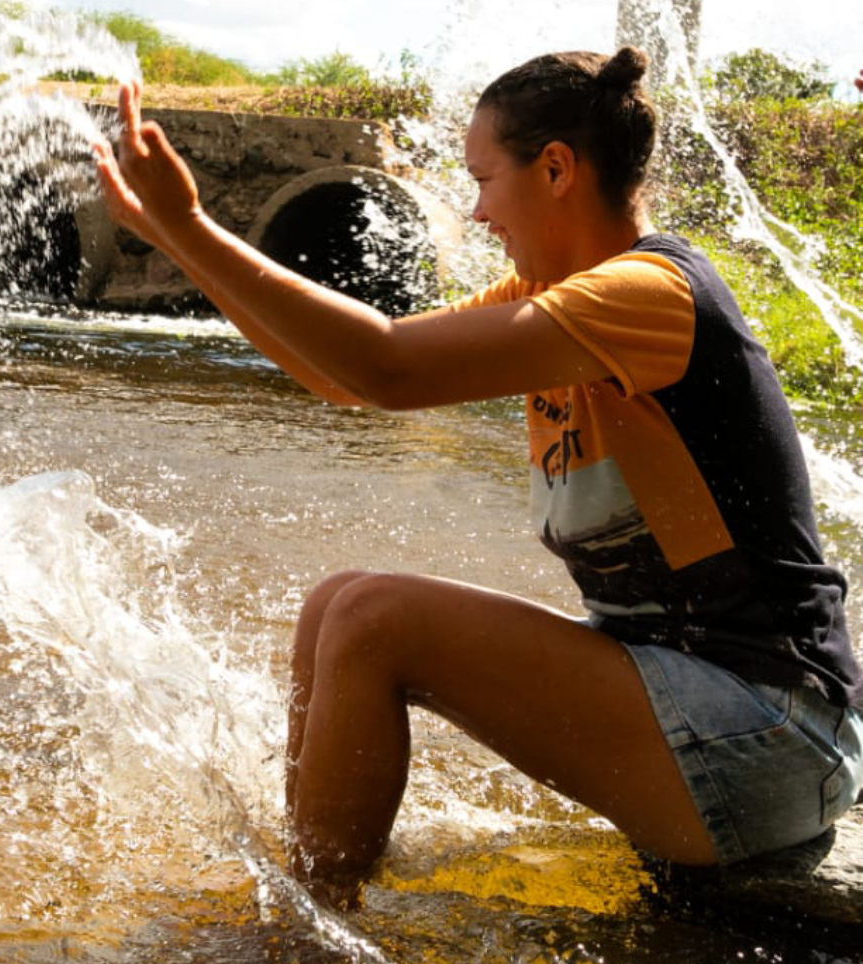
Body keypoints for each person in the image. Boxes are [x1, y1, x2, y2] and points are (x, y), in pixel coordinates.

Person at [93, 47, 863, 898]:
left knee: (375, 618)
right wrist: (174, 236)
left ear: (558, 169)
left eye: (484, 178)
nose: (476, 209)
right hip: (704, 716)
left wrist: (195, 226)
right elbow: (344, 378)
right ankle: (311, 892)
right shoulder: (541, 294)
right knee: (334, 604)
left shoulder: (648, 293)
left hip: (775, 731)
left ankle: (312, 936)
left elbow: (389, 368)